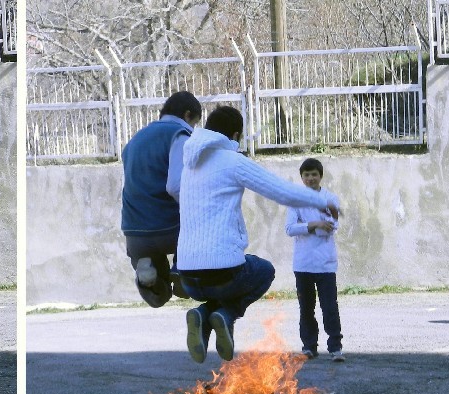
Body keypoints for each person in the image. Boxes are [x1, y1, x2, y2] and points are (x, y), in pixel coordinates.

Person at [176, 106, 340, 363]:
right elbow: (282, 192)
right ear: (235, 134)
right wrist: (319, 201)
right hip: (223, 272)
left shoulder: (188, 167)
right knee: (264, 271)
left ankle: (203, 314)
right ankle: (225, 315)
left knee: (221, 282)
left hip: (187, 276)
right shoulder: (232, 161)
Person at [121, 91, 200, 307]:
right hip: (170, 228)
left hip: (135, 230)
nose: (194, 129)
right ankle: (182, 271)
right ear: (187, 114)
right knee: (202, 225)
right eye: (195, 123)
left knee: (159, 297)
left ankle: (149, 276)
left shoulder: (135, 140)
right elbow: (176, 186)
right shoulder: (180, 135)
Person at [285, 158, 344, 362]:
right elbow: (290, 229)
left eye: (314, 174)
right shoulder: (295, 200)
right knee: (306, 307)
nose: (310, 178)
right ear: (301, 177)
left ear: (320, 176)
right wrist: (315, 224)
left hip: (325, 263)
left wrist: (308, 225)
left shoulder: (330, 199)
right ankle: (309, 346)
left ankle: (335, 347)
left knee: (329, 306)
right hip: (303, 264)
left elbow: (332, 227)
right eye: (306, 175)